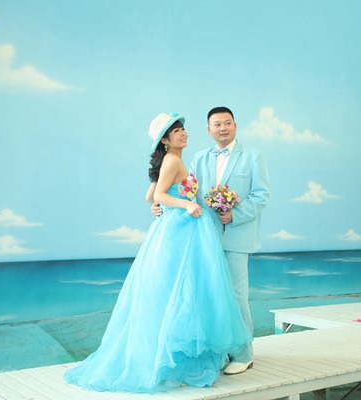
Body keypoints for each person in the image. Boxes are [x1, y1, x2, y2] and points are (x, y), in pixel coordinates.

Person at [64, 112, 252, 393]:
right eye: (176, 131)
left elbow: (150, 196)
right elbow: (159, 195)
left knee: (181, 290)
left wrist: (165, 202)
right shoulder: (172, 160)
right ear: (165, 140)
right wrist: (184, 204)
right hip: (180, 229)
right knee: (181, 290)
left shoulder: (175, 159)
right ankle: (176, 360)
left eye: (183, 129)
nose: (183, 133)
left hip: (185, 228)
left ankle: (177, 357)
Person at [152, 106, 271, 375]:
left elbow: (262, 195)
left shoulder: (253, 156)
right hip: (203, 238)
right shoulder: (199, 157)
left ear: (235, 125)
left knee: (236, 296)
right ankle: (221, 351)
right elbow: (187, 191)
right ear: (209, 130)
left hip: (237, 237)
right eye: (217, 124)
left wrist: (236, 214)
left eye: (227, 123)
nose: (223, 128)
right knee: (211, 295)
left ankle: (244, 354)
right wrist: (161, 204)